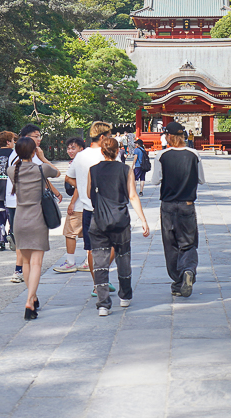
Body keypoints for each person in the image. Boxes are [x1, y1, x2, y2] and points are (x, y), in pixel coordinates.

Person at [87, 136, 151, 315]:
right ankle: (125, 296)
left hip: (99, 220)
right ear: (118, 152)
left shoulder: (93, 170)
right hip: (120, 219)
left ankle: (103, 304)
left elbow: (89, 193)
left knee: (100, 262)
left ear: (102, 151)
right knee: (123, 257)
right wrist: (143, 220)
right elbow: (132, 196)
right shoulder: (125, 169)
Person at [8, 136, 61, 321]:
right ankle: (30, 300)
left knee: (27, 263)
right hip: (37, 218)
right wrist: (42, 157)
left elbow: (16, 166)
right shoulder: (41, 169)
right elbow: (57, 172)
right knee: (37, 262)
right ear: (33, 152)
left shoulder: (11, 170)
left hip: (20, 219)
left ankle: (33, 296)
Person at [152, 121, 205, 297]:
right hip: (187, 205)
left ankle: (177, 282)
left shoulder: (162, 155)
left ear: (168, 136)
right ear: (183, 136)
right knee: (188, 242)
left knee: (171, 244)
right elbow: (201, 179)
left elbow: (155, 180)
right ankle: (188, 270)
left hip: (168, 205)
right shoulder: (194, 154)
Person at [65, 122, 116, 294]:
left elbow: (68, 177)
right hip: (108, 207)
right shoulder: (108, 153)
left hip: (88, 208)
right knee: (115, 243)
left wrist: (80, 185)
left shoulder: (80, 156)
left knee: (92, 249)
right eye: (109, 136)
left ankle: (97, 284)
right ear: (102, 137)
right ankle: (103, 274)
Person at [53, 137, 87, 273]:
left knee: (69, 233)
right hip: (89, 204)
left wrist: (72, 203)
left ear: (81, 149)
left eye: (73, 148)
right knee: (87, 233)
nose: (70, 150)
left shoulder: (78, 162)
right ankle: (88, 261)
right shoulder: (85, 161)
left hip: (79, 205)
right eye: (68, 148)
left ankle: (70, 262)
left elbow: (79, 184)